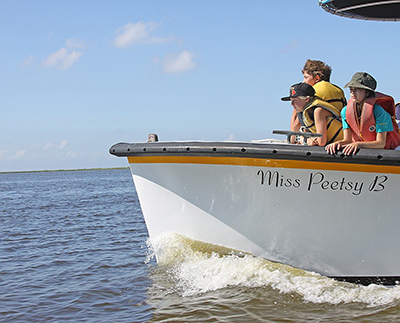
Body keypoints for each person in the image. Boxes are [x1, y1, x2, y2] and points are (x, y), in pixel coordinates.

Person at [326, 72, 400, 155]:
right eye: (351, 89)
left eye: (357, 89)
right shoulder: (345, 111)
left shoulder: (379, 111)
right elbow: (347, 140)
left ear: (367, 92)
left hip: (391, 151)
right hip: (366, 151)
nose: (352, 92)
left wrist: (358, 144)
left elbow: (381, 143)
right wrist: (337, 143)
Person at [290, 59, 346, 134]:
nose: (303, 81)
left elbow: (296, 125)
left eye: (306, 77)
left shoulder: (313, 92)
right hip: (339, 134)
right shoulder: (339, 90)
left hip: (320, 137)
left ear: (317, 78)